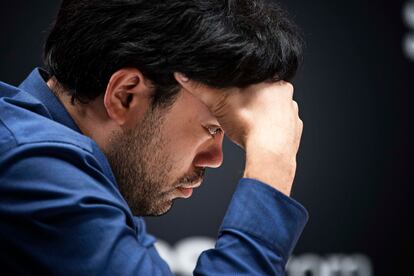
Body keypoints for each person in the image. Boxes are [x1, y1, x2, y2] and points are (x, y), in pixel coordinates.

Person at [0, 0, 308, 274]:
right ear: (126, 95)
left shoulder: (70, 168)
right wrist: (272, 164)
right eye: (213, 128)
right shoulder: (34, 167)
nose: (215, 159)